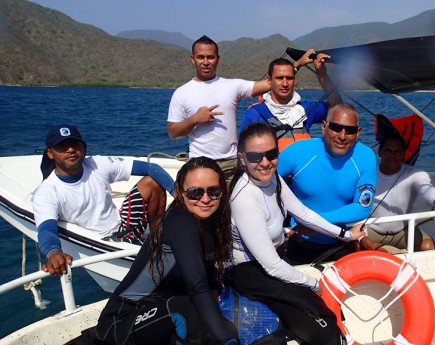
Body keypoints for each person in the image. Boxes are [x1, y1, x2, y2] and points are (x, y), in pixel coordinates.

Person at [228, 122, 365, 345]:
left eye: (271, 154)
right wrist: (312, 284)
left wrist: (346, 235)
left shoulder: (272, 179)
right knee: (321, 325)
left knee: (323, 314)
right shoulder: (245, 199)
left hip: (276, 262)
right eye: (255, 157)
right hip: (252, 274)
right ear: (242, 159)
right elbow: (271, 265)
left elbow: (304, 214)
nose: (265, 163)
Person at [95, 157, 239, 344]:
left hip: (161, 315)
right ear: (180, 193)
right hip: (122, 321)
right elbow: (197, 288)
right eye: (195, 192)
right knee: (188, 309)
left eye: (214, 191)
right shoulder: (181, 222)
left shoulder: (213, 220)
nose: (205, 199)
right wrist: (227, 340)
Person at [33, 124, 175, 276]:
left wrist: (178, 193)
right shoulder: (47, 192)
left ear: (83, 147)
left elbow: (150, 168)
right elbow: (46, 229)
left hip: (123, 226)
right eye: (62, 146)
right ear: (50, 153)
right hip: (107, 240)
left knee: (152, 182)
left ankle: (157, 240)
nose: (70, 150)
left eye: (75, 144)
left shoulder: (97, 164)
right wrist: (53, 252)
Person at [277, 102, 377, 264]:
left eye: (350, 130)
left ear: (358, 133)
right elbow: (265, 183)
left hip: (340, 241)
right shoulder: (297, 151)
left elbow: (362, 207)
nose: (342, 136)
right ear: (324, 127)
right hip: (299, 239)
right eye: (336, 127)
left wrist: (314, 222)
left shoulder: (366, 156)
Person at [167, 35, 270, 182]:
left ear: (218, 59)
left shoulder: (232, 86)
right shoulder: (181, 93)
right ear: (193, 59)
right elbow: (173, 132)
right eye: (200, 57)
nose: (205, 62)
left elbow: (271, 84)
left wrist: (298, 63)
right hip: (200, 165)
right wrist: (195, 119)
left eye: (210, 57)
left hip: (231, 164)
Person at [239, 49, 341, 152]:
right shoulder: (254, 113)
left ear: (294, 80)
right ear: (269, 81)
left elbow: (338, 109)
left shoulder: (306, 109)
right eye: (279, 78)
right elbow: (244, 151)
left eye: (289, 78)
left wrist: (322, 75)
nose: (285, 84)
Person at [367, 133, 435, 251]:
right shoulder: (367, 175)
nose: (392, 155)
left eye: (397, 151)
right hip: (372, 230)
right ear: (380, 151)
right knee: (359, 246)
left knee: (428, 247)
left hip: (403, 230)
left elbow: (427, 188)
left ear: (403, 154)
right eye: (388, 150)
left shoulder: (415, 174)